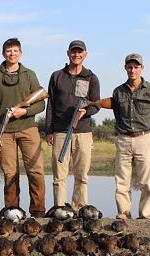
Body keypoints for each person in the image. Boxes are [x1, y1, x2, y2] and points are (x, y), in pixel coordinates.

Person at [0, 37, 46, 218]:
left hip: (28, 129)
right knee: (10, 173)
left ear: (21, 53)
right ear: (3, 53)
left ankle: (38, 212)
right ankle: (12, 212)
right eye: (9, 51)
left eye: (15, 51)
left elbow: (41, 103)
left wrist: (23, 112)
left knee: (36, 171)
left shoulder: (29, 75)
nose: (12, 54)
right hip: (4, 132)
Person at [45, 40, 100, 213]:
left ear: (85, 54)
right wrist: (49, 130)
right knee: (59, 176)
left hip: (83, 132)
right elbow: (51, 105)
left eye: (80, 52)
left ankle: (80, 210)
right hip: (60, 132)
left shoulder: (91, 77)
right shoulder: (57, 76)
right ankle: (60, 211)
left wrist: (86, 111)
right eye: (73, 52)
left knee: (82, 176)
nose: (76, 55)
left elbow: (96, 104)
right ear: (68, 53)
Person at [112, 53, 150, 219]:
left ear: (142, 68)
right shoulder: (118, 91)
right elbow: (117, 113)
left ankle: (144, 214)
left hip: (144, 137)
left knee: (146, 180)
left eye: (136, 67)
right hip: (123, 138)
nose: (132, 70)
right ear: (125, 68)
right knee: (121, 179)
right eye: (129, 66)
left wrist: (149, 133)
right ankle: (123, 212)